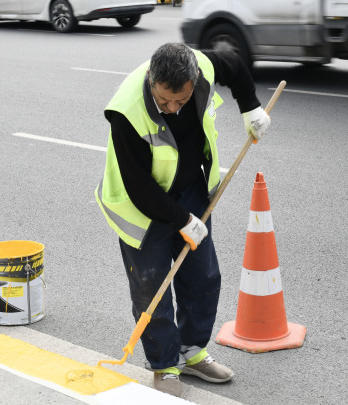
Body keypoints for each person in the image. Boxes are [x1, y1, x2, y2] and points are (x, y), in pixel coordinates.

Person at [94, 42, 270, 397]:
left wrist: (251, 108)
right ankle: (164, 365)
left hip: (189, 188)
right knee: (153, 287)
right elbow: (139, 187)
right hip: (140, 207)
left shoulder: (202, 67)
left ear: (193, 81)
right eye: (164, 102)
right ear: (150, 80)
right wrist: (181, 220)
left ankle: (191, 354)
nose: (173, 109)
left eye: (181, 101)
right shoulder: (125, 112)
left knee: (202, 275)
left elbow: (234, 63)